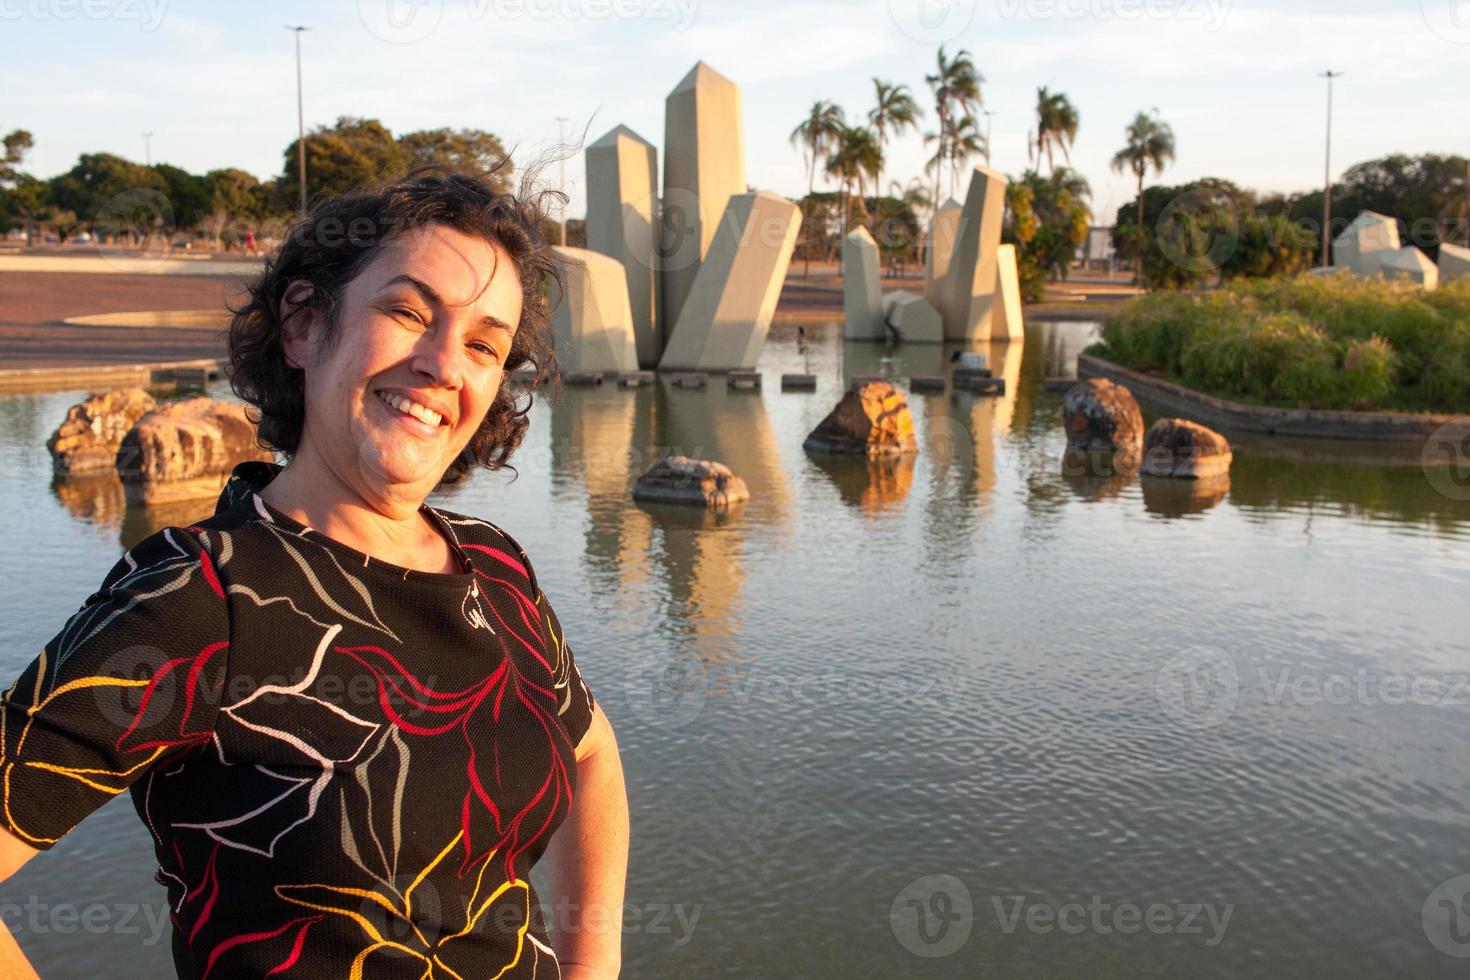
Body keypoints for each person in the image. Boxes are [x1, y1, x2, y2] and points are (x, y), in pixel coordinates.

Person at [0, 171, 629, 978]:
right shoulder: (200, 596)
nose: (444, 364)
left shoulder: (493, 567)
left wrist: (592, 965)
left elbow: (589, 751)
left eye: (482, 344)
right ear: (303, 326)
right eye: (407, 312)